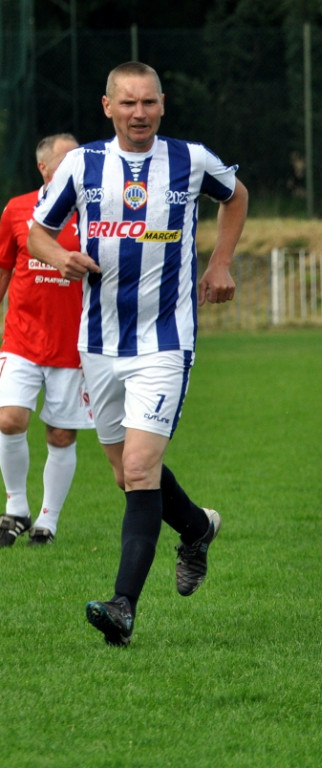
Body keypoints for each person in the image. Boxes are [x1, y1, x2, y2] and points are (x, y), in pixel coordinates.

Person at [28, 61, 249, 646]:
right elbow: (37, 233)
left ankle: (122, 608)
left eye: (149, 102)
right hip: (97, 344)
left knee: (138, 469)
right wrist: (60, 258)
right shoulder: (80, 164)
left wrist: (221, 261)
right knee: (127, 478)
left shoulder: (191, 159)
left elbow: (237, 195)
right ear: (108, 107)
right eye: (128, 103)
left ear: (162, 104)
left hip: (165, 343)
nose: (139, 113)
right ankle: (197, 527)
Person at [0, 134, 94, 547]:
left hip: (73, 345)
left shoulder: (94, 212)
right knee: (8, 419)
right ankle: (16, 507)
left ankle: (47, 521)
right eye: (66, 161)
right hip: (20, 337)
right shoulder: (17, 210)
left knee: (60, 434)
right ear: (43, 168)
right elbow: (4, 266)